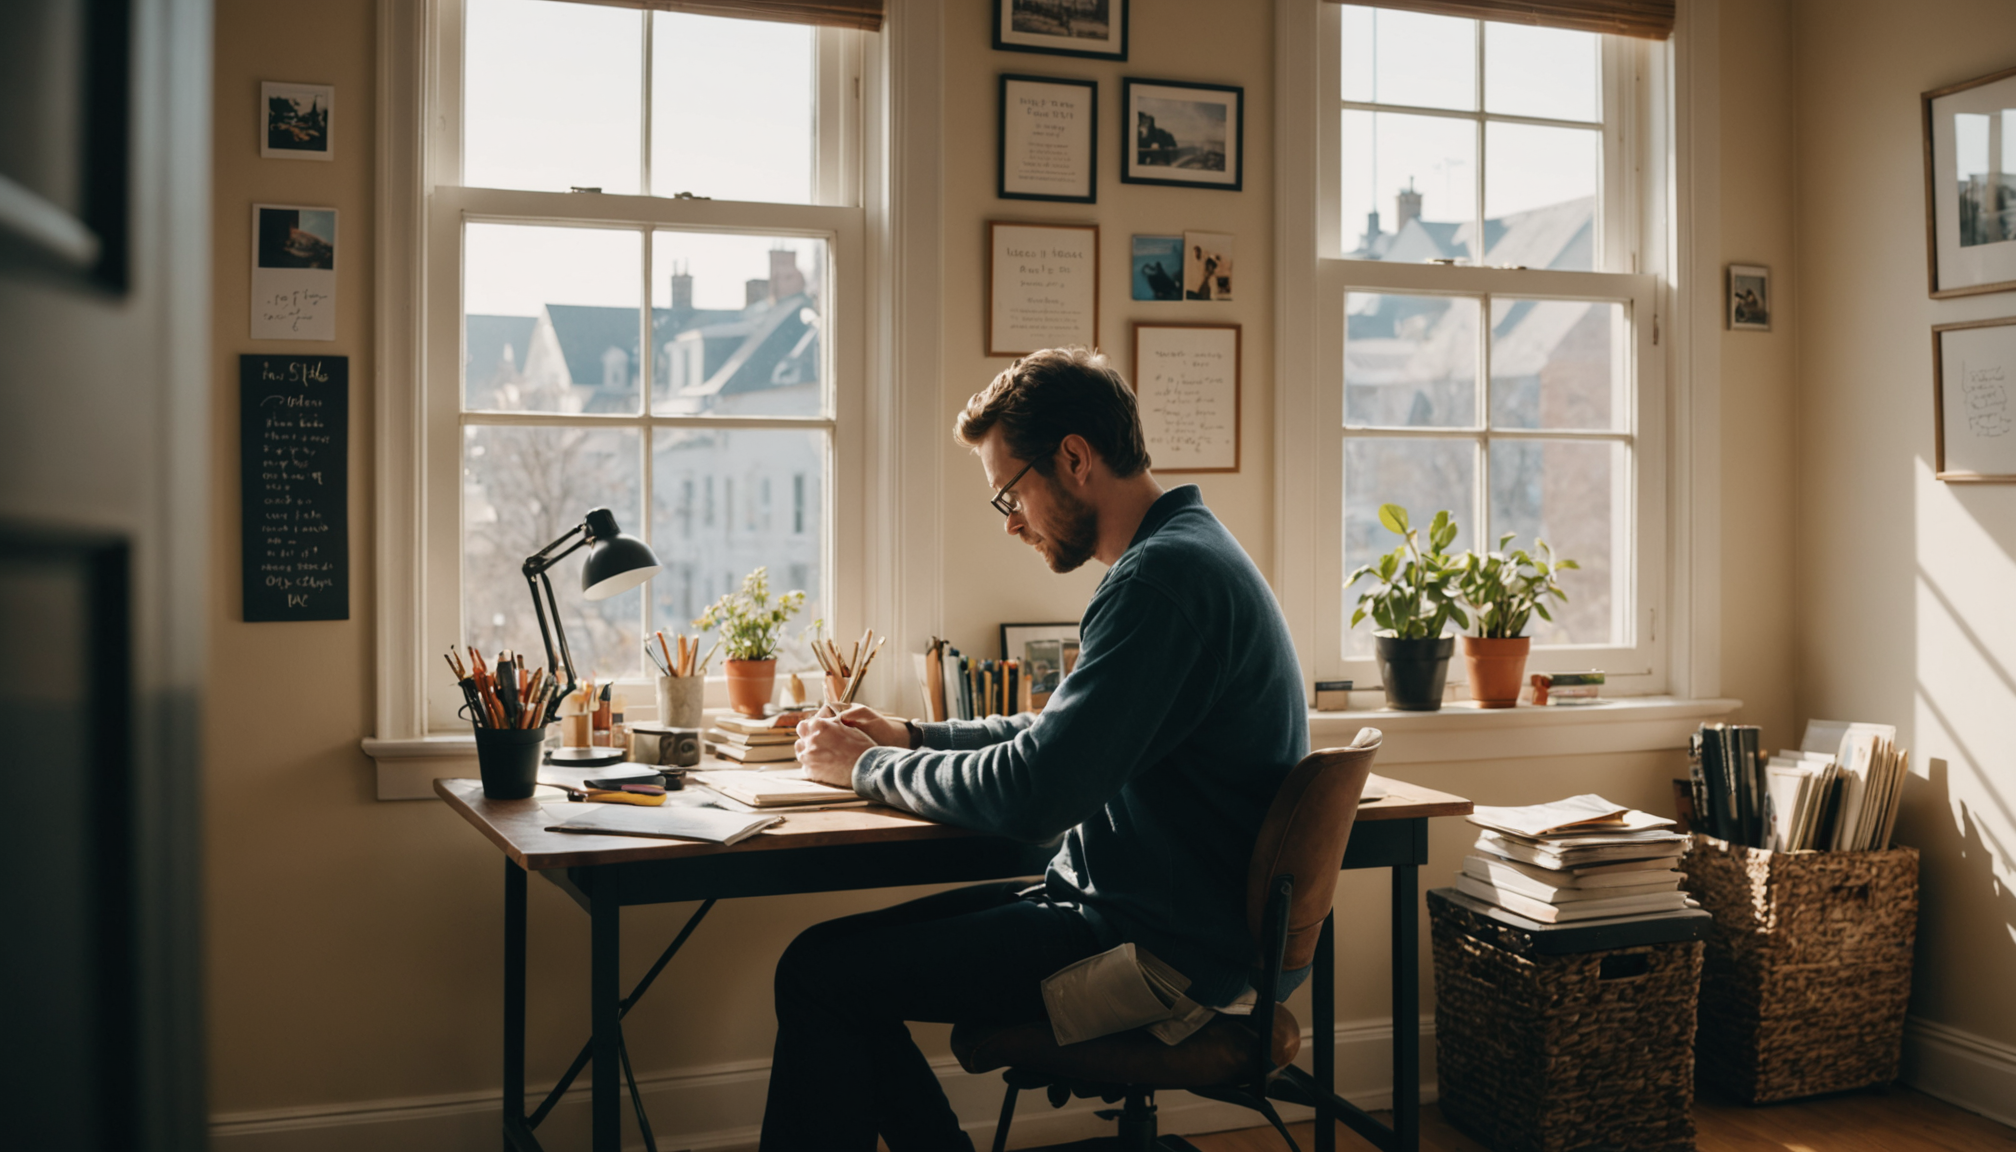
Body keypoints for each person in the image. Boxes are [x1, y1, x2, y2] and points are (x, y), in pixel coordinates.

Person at [757, 347, 1308, 1151]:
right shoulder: (1183, 554)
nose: (1011, 521)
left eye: (1009, 494)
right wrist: (912, 735)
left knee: (822, 976)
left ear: (1075, 458)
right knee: (825, 962)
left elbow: (1039, 792)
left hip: (1154, 961)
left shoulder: (1161, 583)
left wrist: (865, 769)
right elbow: (1058, 740)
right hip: (1143, 922)